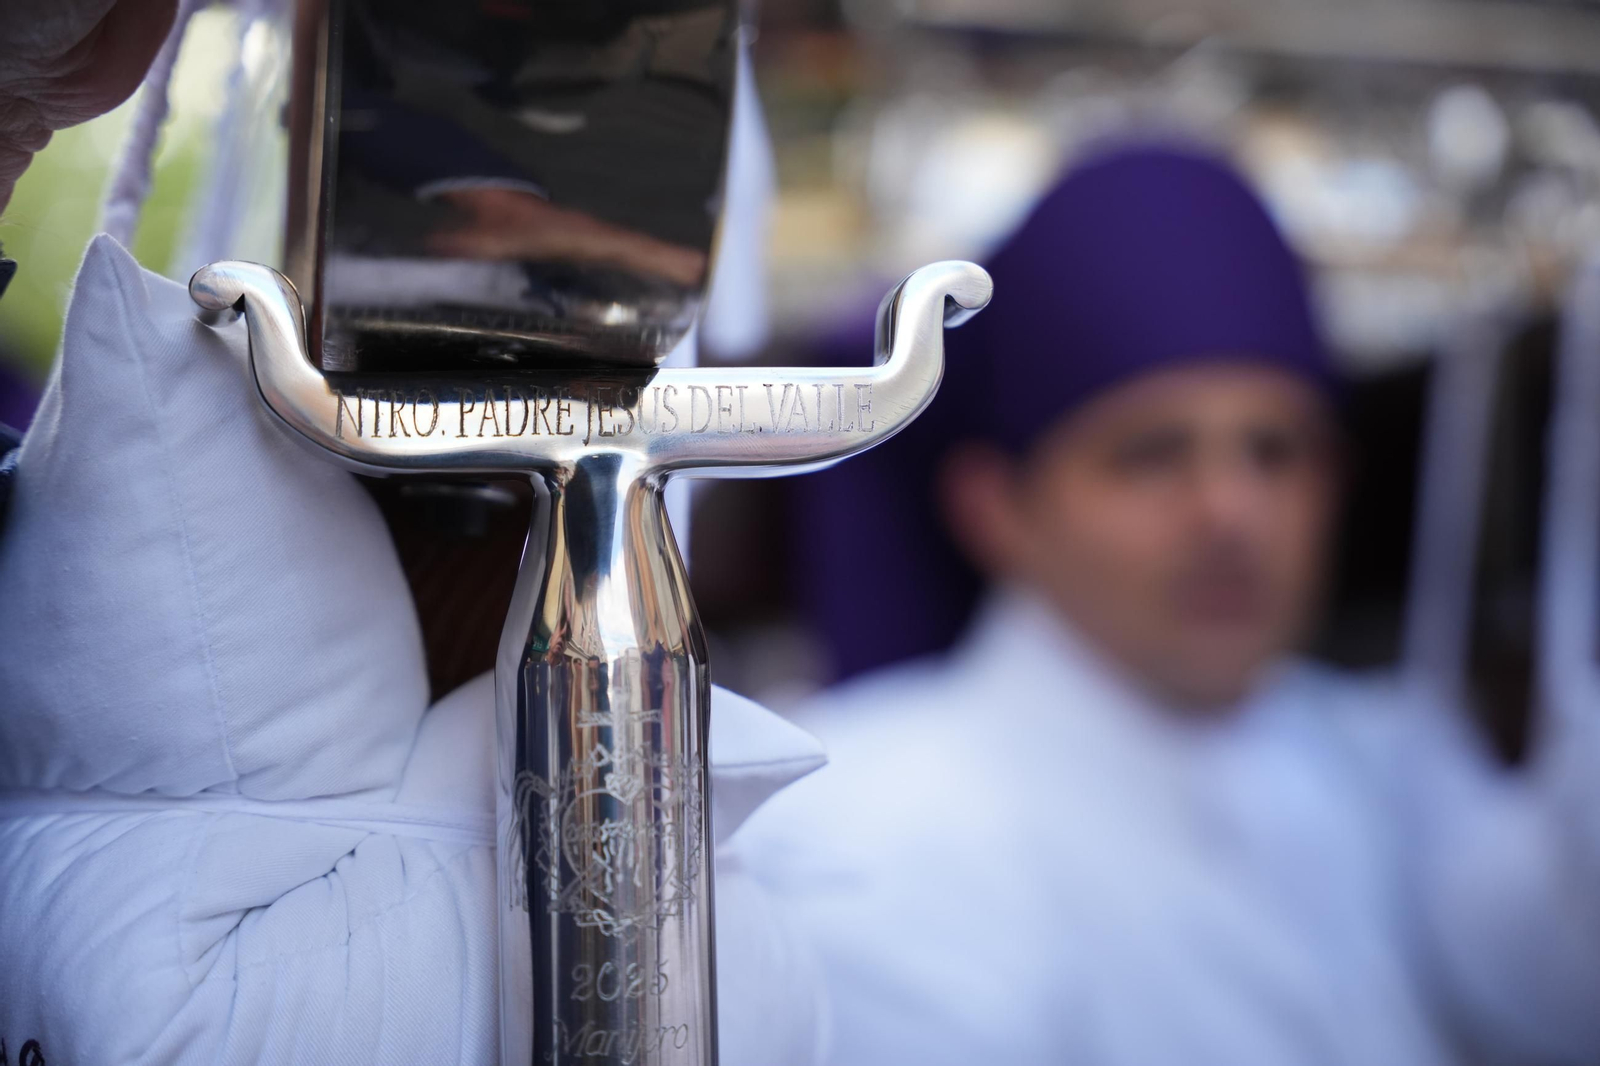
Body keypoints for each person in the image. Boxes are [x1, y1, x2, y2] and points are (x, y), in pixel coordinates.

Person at [733, 140, 1600, 1065]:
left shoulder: (1372, 754)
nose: (1232, 512)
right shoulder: (870, 831)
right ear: (996, 508)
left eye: (1275, 450)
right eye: (1151, 454)